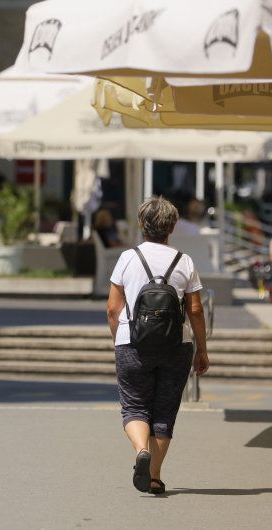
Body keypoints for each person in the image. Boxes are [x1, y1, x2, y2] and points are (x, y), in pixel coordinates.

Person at [106, 196, 209, 495]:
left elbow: (113, 308)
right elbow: (196, 310)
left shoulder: (128, 258)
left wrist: (119, 339)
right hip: (176, 345)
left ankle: (141, 450)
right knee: (164, 411)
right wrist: (202, 349)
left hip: (132, 343)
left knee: (135, 406)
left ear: (141, 225)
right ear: (172, 227)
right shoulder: (185, 261)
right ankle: (154, 476)